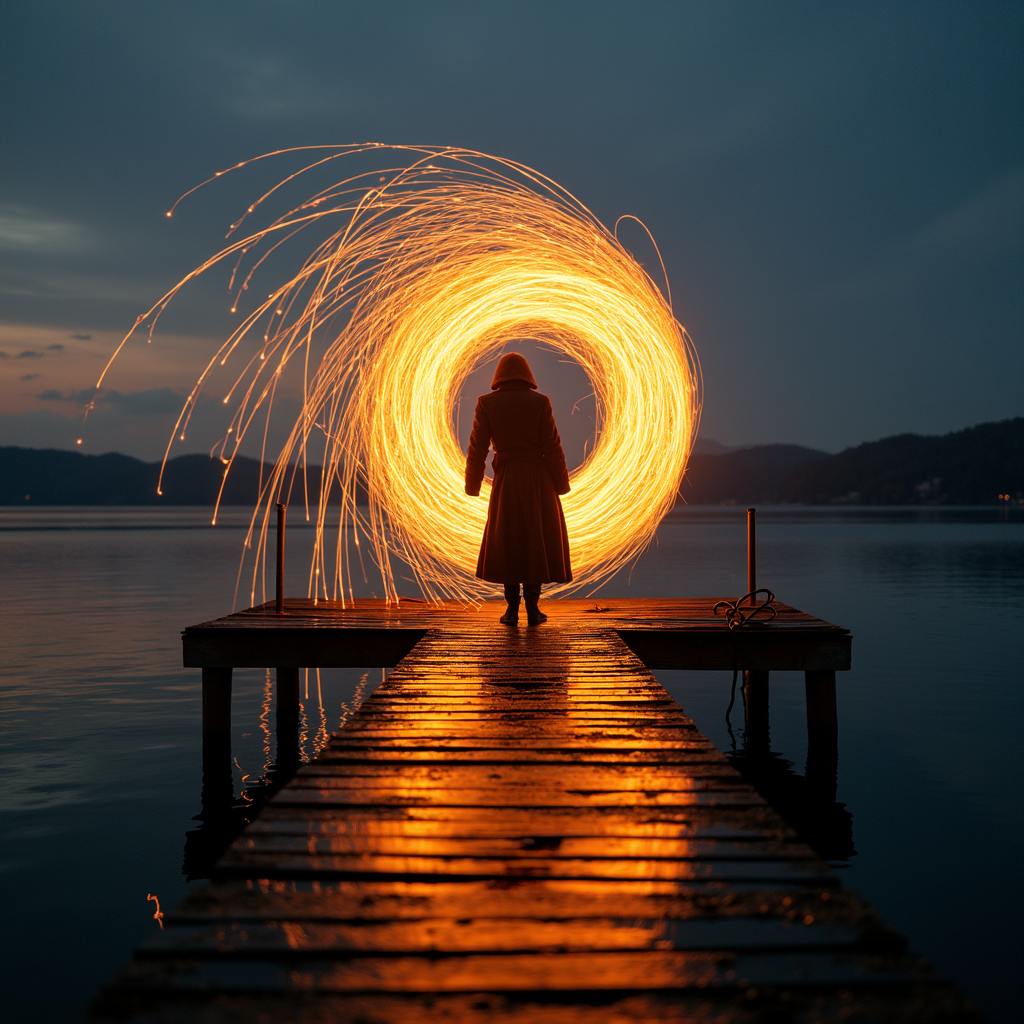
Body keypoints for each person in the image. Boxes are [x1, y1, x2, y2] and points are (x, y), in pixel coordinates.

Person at [465, 351, 572, 626]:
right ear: (528, 376)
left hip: (507, 480)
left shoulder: (486, 403)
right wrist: (561, 484)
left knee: (508, 541)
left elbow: (477, 449)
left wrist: (472, 486)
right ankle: (534, 611)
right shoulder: (540, 402)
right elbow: (553, 447)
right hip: (539, 479)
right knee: (535, 541)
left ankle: (511, 611)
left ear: (498, 377)